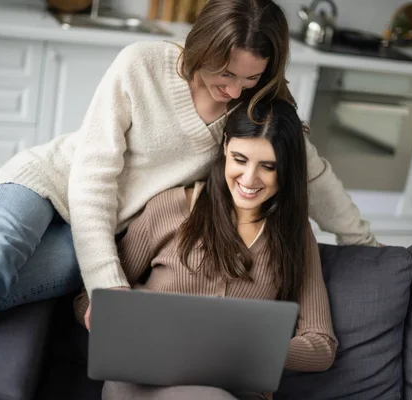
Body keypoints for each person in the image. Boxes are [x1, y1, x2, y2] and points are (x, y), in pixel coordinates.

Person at [0, 0, 373, 398]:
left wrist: (363, 242)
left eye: (251, 79)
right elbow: (93, 173)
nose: (234, 90)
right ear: (201, 46)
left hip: (112, 225)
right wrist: (107, 282)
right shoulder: (142, 65)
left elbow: (309, 174)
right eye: (225, 73)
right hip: (54, 181)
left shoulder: (249, 108)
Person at [75, 98, 338, 400]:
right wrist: (136, 313)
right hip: (144, 384)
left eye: (268, 167)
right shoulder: (170, 208)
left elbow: (321, 346)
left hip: (236, 391)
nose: (249, 179)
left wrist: (245, 348)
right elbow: (88, 301)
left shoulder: (295, 235)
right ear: (225, 146)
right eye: (240, 159)